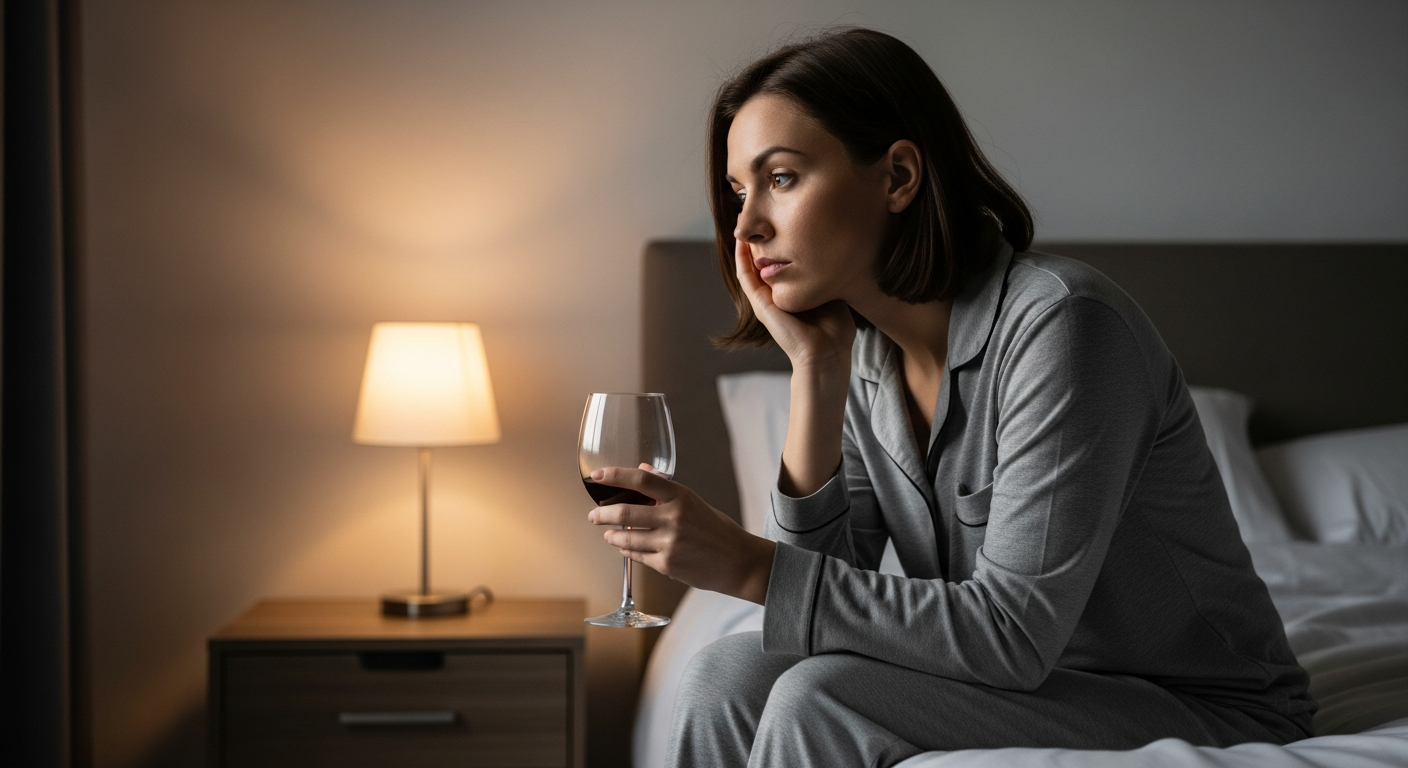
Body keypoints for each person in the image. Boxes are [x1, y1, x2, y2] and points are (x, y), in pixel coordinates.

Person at [585, 27, 1314, 768]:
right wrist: (818, 368)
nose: (746, 227)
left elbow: (1013, 634)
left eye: (781, 178)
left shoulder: (1064, 325)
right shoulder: (868, 355)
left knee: (819, 698)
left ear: (898, 176)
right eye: (738, 191)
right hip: (1021, 687)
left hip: (1196, 705)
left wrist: (748, 564)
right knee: (722, 674)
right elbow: (822, 601)